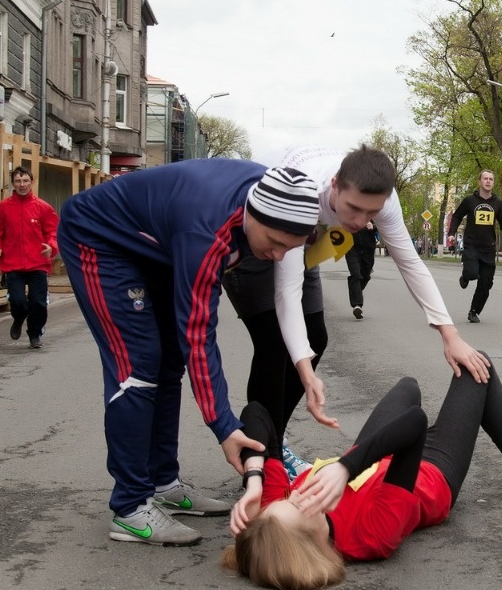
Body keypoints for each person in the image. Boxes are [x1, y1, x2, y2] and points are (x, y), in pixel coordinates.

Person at [56, 160, 322, 546]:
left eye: (290, 248)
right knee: (138, 365)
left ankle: (163, 483)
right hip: (100, 239)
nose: (280, 256)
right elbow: (198, 334)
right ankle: (130, 507)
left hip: (154, 246)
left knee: (167, 364)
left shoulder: (273, 195)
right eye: (276, 243)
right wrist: (224, 426)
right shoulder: (207, 232)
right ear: (255, 213)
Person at [224, 145, 492, 478]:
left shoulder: (384, 201)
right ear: (334, 185)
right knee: (275, 346)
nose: (360, 222)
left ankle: (271, 440)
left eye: (371, 213)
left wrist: (449, 334)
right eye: (353, 209)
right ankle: (266, 460)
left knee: (316, 339)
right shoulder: (307, 194)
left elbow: (410, 262)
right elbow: (286, 293)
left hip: (308, 242)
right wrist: (306, 375)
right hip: (264, 236)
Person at [222, 358, 502, 590]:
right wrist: (345, 467)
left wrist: (254, 479)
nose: (295, 494)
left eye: (284, 500)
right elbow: (415, 424)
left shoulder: (278, 512)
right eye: (297, 506)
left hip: (370, 457)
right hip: (430, 471)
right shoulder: (370, 536)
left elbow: (257, 413)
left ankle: (498, 446)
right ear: (314, 543)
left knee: (408, 386)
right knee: (476, 366)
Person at [0, 166, 59, 349]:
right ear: (13, 184)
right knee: (17, 302)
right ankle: (18, 319)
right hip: (13, 263)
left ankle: (34, 334)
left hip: (38, 263)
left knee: (38, 303)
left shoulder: (42, 207)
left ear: (31, 182)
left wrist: (51, 246)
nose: (22, 184)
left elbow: (54, 231)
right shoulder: (3, 208)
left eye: (25, 181)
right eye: (18, 181)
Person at [449, 170, 502, 323]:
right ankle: (465, 277)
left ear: (493, 183)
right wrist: (451, 233)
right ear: (480, 181)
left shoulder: (497, 203)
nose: (488, 181)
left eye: (491, 179)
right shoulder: (470, 200)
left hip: (488, 248)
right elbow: (457, 216)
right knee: (471, 273)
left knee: (486, 284)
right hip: (472, 245)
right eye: (485, 178)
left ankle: (474, 311)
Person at [345, 220, 378, 319]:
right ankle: (357, 305)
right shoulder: (346, 210)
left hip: (368, 250)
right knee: (356, 275)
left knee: (365, 276)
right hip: (351, 248)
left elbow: (384, 225)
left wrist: (374, 226)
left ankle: (356, 291)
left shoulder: (372, 211)